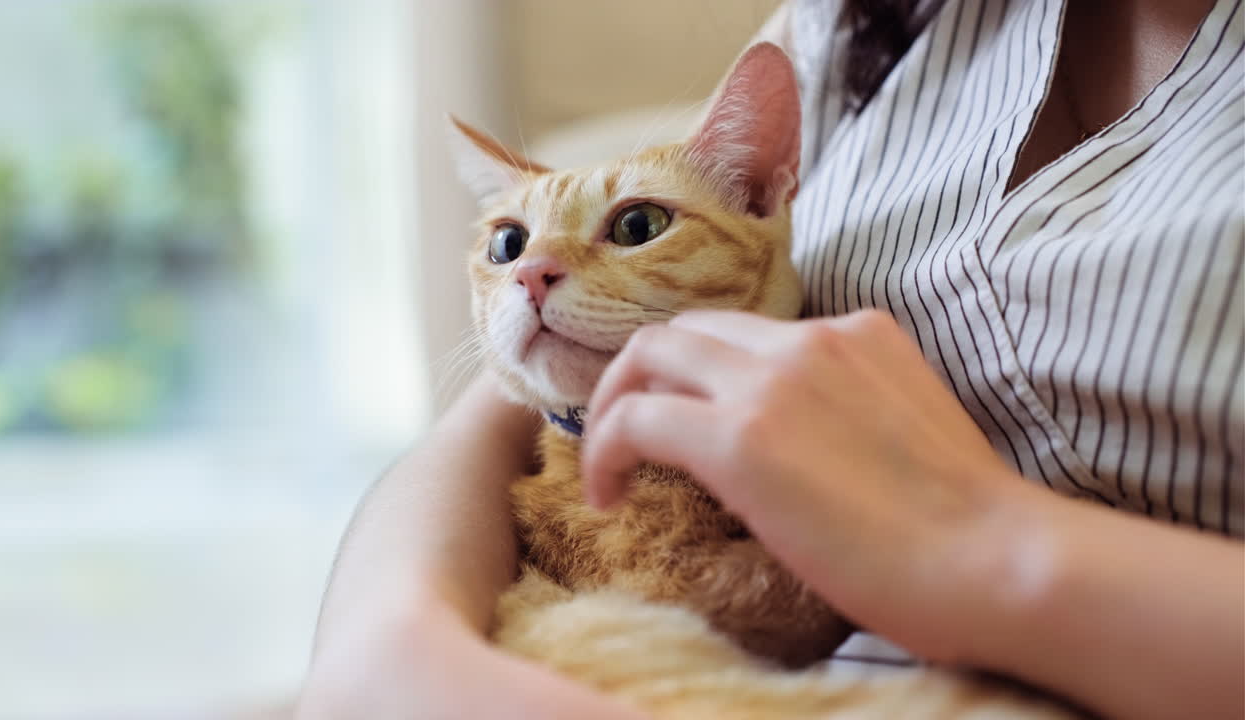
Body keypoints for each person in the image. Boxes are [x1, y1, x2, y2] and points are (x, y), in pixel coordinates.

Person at [296, 1, 1244, 718]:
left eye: (628, 230)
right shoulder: (858, 20)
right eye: (508, 249)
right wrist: (389, 640)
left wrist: (984, 546)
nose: (535, 273)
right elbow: (523, 411)